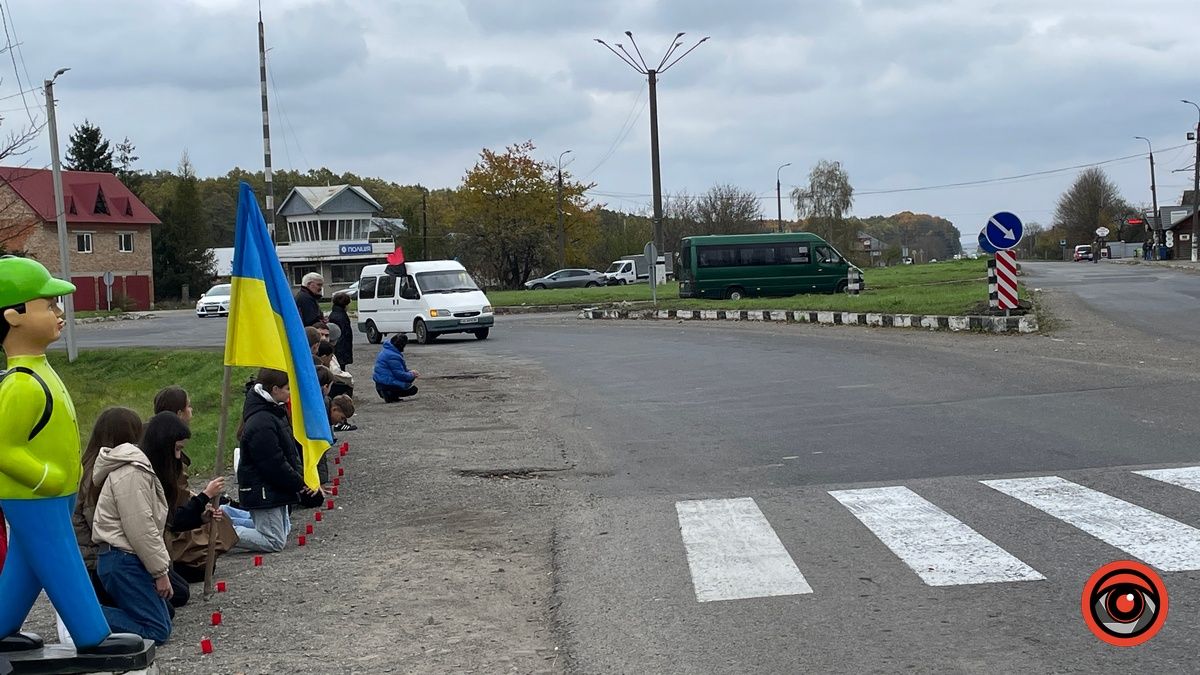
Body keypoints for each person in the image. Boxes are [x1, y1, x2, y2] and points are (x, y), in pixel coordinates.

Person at [0, 255, 143, 656]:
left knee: (27, 565)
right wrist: (45, 477)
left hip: (50, 490)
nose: (59, 312)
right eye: (48, 305)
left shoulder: (36, 373)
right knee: (61, 558)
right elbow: (2, 447)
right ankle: (91, 635)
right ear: (13, 317)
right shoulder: (21, 385)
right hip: (34, 494)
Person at [90, 421, 174, 644]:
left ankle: (85, 614)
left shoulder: (135, 470)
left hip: (123, 558)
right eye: (176, 449)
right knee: (157, 630)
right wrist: (160, 572)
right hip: (123, 559)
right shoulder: (132, 474)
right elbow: (141, 528)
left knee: (163, 621)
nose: (176, 458)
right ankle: (80, 614)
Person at [231, 368, 321, 553]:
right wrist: (300, 484)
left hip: (273, 489)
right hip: (263, 489)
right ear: (274, 390)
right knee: (274, 541)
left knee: (282, 531)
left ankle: (228, 518)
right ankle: (223, 533)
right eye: (287, 388)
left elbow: (288, 453)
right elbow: (273, 463)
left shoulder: (272, 412)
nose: (290, 392)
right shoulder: (262, 422)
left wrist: (301, 478)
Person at [74, 407, 145, 607]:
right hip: (96, 561)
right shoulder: (97, 476)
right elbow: (99, 523)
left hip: (99, 556)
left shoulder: (92, 466)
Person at [373, 333, 420, 402]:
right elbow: (399, 374)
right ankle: (390, 394)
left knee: (408, 383)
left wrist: (410, 372)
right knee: (413, 389)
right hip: (386, 383)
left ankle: (390, 394)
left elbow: (398, 370)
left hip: (381, 382)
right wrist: (412, 375)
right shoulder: (393, 356)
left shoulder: (387, 350)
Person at [328, 292, 354, 367]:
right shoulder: (341, 317)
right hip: (340, 350)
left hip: (339, 350)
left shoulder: (335, 314)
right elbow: (343, 336)